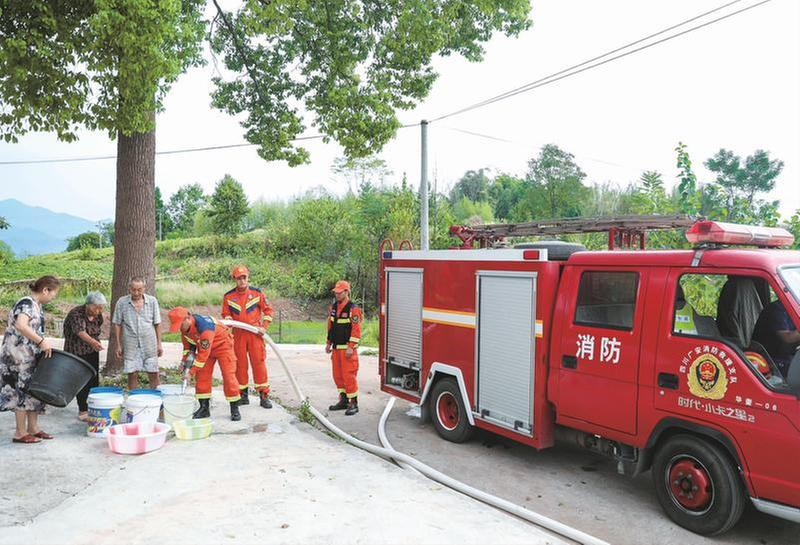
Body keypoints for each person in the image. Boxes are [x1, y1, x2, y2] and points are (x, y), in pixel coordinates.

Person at [0, 276, 60, 443]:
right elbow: (21, 325)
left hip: (31, 356)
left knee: (33, 390)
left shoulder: (37, 306)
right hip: (18, 356)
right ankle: (20, 432)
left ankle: (33, 428)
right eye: (53, 294)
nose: (53, 298)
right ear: (45, 290)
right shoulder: (26, 303)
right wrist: (41, 342)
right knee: (21, 392)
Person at [167, 306, 242, 421]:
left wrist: (190, 372)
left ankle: (234, 408)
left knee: (229, 376)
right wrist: (183, 362)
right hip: (205, 349)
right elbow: (188, 348)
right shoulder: (185, 330)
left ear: (187, 319)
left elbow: (202, 356)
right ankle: (204, 408)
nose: (179, 329)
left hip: (223, 346)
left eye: (180, 325)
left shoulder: (205, 327)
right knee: (202, 376)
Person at [221, 265, 274, 409]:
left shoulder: (257, 293)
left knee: (259, 364)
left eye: (244, 277)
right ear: (234, 279)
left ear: (248, 277)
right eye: (239, 278)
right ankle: (243, 395)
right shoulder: (228, 296)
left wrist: (264, 326)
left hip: (254, 334)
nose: (242, 281)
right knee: (239, 365)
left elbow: (268, 310)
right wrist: (228, 320)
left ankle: (263, 395)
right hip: (238, 335)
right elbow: (225, 314)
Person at [111, 276, 163, 391]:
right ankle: (134, 400)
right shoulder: (122, 302)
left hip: (149, 343)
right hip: (130, 344)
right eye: (133, 289)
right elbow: (117, 324)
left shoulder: (152, 301)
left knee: (153, 372)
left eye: (139, 289)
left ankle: (156, 401)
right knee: (132, 373)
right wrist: (119, 345)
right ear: (129, 288)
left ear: (144, 288)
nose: (136, 292)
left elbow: (157, 323)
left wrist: (159, 344)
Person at [63, 292, 107, 421]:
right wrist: (93, 342)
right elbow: (80, 332)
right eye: (96, 307)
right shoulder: (76, 314)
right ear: (88, 305)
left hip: (92, 351)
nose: (98, 311)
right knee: (80, 381)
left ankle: (93, 406)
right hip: (76, 352)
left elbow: (96, 330)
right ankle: (83, 410)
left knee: (93, 378)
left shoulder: (98, 316)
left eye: (101, 307)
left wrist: (96, 343)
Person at [325, 280, 362, 416]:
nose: (337, 295)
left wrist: (351, 347)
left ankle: (354, 403)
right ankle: (343, 400)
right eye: (336, 292)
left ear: (346, 292)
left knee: (349, 376)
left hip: (347, 349)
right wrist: (328, 343)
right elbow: (331, 326)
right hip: (336, 348)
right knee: (338, 376)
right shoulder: (334, 307)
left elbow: (356, 330)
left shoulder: (353, 309)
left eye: (340, 293)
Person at [752, 299, 800, 376]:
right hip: (771, 361)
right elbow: (787, 338)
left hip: (786, 356)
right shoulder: (777, 309)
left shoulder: (794, 308)